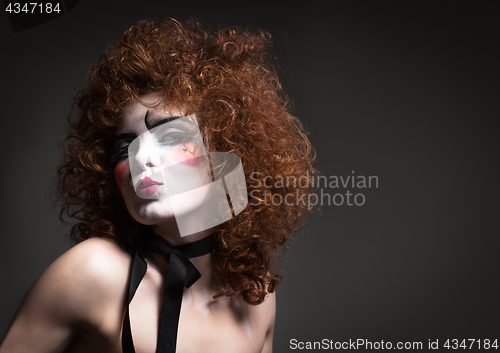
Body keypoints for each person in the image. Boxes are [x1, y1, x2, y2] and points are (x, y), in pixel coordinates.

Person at [0, 18, 316, 353]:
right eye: (125, 147)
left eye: (171, 136)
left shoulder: (256, 290)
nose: (140, 158)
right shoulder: (94, 273)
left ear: (228, 152)